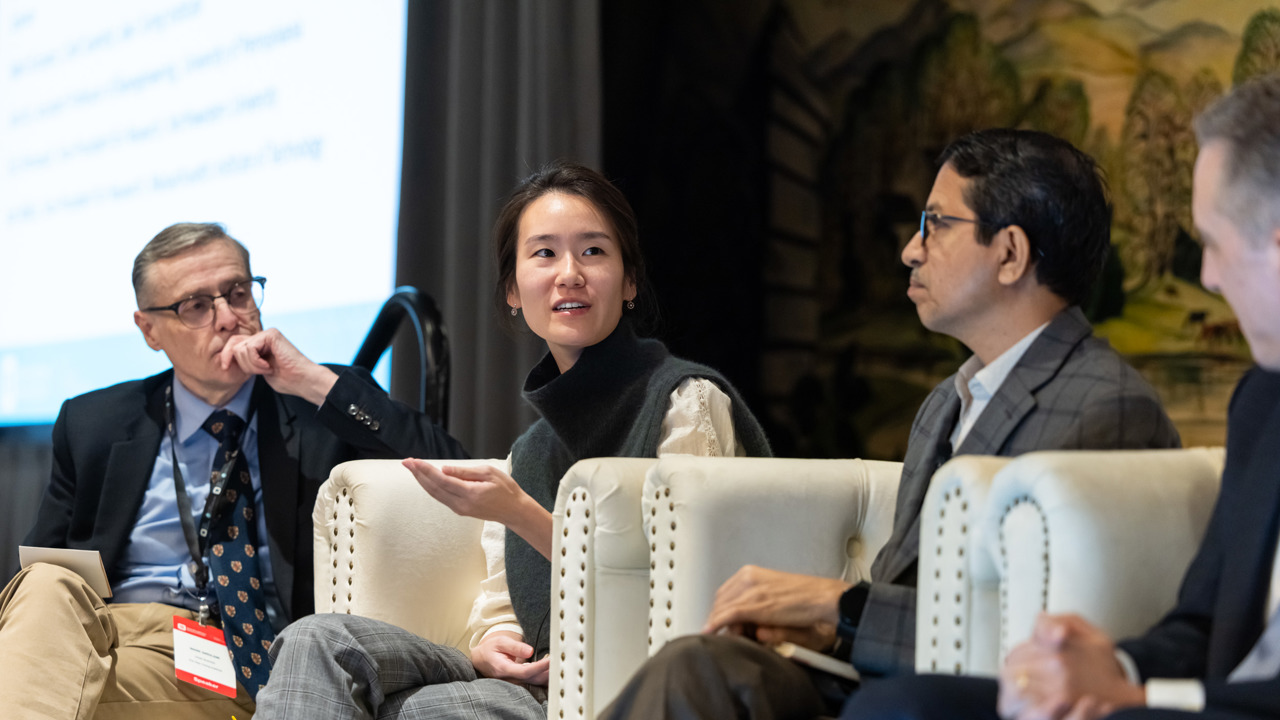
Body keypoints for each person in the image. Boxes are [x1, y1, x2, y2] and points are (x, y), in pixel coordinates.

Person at [598, 128, 1183, 720]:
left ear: (1009, 254)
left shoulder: (1107, 408)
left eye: (936, 224)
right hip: (880, 687)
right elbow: (912, 605)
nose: (910, 249)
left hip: (959, 706)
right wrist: (827, 630)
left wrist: (839, 606)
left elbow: (1043, 642)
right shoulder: (945, 404)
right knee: (699, 665)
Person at [251, 160, 773, 718]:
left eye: (593, 251)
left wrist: (521, 513)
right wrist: (492, 641)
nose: (569, 273)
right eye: (544, 253)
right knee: (315, 639)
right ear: (512, 290)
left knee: (413, 712)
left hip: (618, 683)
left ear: (629, 283)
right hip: (525, 679)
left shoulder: (683, 403)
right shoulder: (532, 449)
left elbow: (682, 590)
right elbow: (501, 603)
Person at [839, 74, 1280, 720]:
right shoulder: (1262, 403)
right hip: (1177, 702)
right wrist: (1112, 668)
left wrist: (1139, 695)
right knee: (900, 704)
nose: (1208, 278)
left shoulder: (1108, 405)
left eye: (1212, 243)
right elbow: (1201, 627)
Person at [2, 222, 466, 719]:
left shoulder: (319, 404)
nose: (227, 318)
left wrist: (310, 381)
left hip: (233, 650)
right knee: (45, 584)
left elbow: (453, 473)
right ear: (150, 330)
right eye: (196, 306)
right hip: (102, 629)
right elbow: (43, 569)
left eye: (238, 293)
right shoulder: (94, 421)